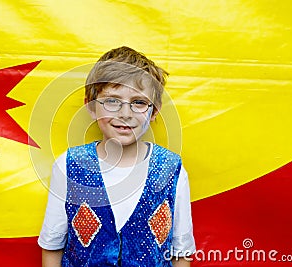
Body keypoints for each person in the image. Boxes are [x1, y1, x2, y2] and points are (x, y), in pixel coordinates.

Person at [38, 46, 195, 266]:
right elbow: (52, 246)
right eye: (112, 101)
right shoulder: (69, 165)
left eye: (138, 102)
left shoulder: (171, 169)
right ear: (92, 107)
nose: (125, 113)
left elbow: (181, 252)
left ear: (154, 111)